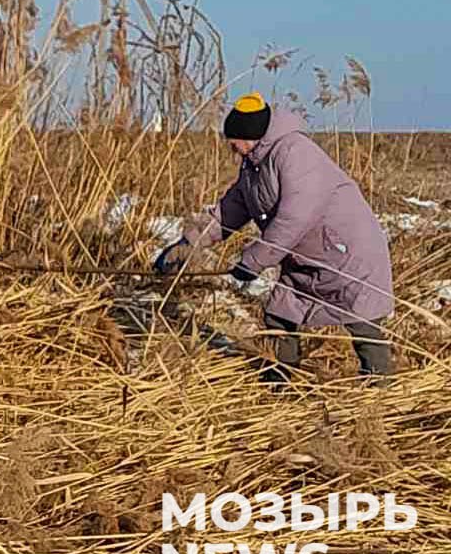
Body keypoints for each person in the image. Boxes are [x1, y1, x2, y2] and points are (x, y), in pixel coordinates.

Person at [155, 92, 394, 382]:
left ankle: (381, 390)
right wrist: (186, 246)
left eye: (233, 138)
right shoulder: (253, 166)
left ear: (250, 135)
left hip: (346, 253)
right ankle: (280, 382)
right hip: (304, 259)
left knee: (362, 321)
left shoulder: (296, 153)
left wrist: (254, 261)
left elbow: (294, 219)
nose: (230, 145)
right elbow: (228, 212)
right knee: (280, 315)